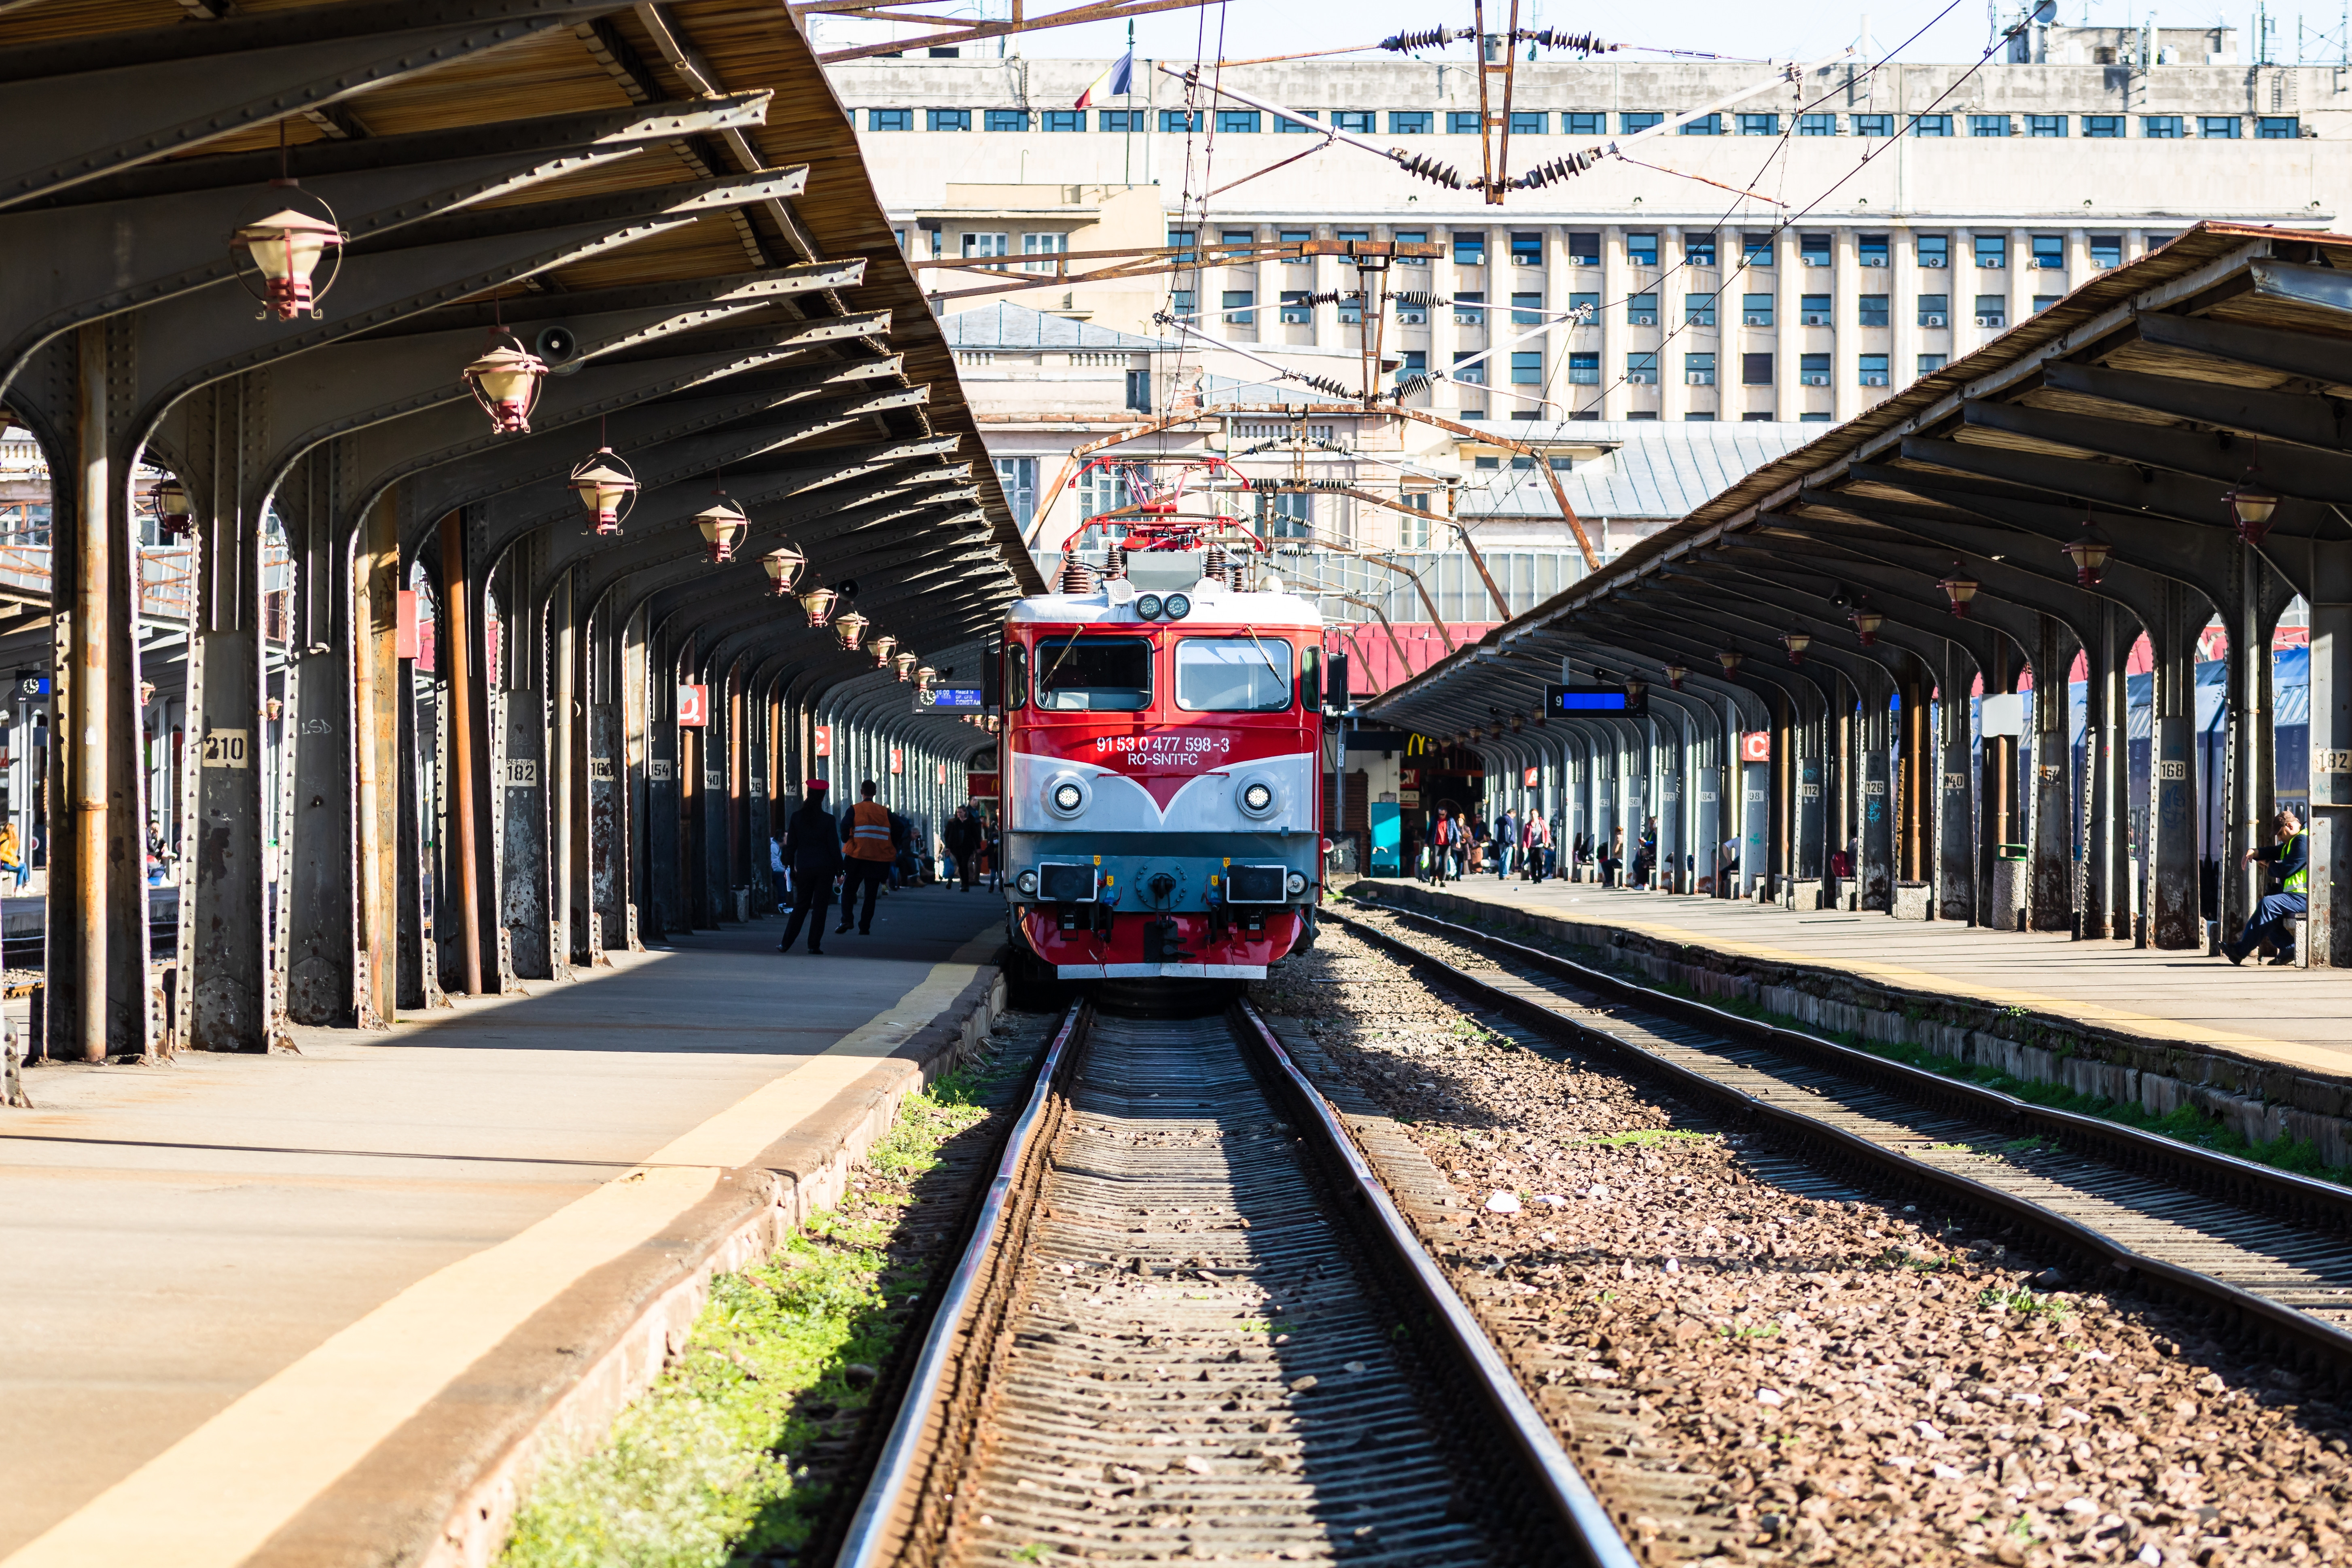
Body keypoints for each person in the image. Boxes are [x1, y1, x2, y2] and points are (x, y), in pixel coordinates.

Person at [2223, 807, 2308, 966]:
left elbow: (2285, 870)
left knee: (2268, 905)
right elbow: (2276, 851)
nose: (2280, 838)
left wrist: (2268, 864)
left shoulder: (2303, 841)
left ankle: (2240, 952)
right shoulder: (2296, 840)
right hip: (2298, 897)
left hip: (2306, 898)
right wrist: (2256, 853)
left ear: (2289, 827)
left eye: (2280, 834)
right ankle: (2289, 948)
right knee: (2268, 908)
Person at [777, 781, 842, 954]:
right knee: (820, 908)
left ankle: (786, 943)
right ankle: (814, 945)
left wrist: (789, 868)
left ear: (808, 794)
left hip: (805, 867)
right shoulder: (829, 820)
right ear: (823, 798)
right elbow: (834, 848)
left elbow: (791, 847)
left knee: (801, 906)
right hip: (825, 868)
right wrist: (840, 871)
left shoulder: (797, 818)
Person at [837, 780, 895, 934]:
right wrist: (891, 845)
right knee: (871, 895)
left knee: (849, 889)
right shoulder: (884, 812)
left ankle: (847, 920)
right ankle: (865, 927)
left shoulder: (854, 809)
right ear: (875, 793)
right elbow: (899, 827)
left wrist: (846, 838)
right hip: (878, 858)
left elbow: (844, 826)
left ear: (861, 792)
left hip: (857, 856)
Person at [944, 805, 980, 891]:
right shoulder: (954, 823)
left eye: (961, 812)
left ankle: (965, 884)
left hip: (967, 848)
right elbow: (948, 836)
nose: (959, 814)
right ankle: (963, 883)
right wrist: (948, 847)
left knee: (964, 864)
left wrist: (978, 847)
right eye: (958, 812)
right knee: (961, 865)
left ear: (965, 812)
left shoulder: (970, 823)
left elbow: (976, 836)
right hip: (956, 848)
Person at [1524, 810, 1551, 886]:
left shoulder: (1542, 823)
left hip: (1540, 846)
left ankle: (1540, 877)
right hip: (1532, 846)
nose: (1533, 816)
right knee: (1533, 863)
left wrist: (1547, 842)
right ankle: (1535, 878)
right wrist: (1525, 846)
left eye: (1534, 814)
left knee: (1540, 861)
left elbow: (1547, 832)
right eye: (1532, 814)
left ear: (1537, 814)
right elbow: (1525, 837)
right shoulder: (1528, 825)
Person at [769, 829, 789, 909]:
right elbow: (775, 867)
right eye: (787, 837)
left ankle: (783, 901)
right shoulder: (774, 847)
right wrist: (786, 871)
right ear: (781, 838)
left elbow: (778, 863)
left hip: (772, 871)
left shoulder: (778, 847)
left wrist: (787, 869)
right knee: (781, 876)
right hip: (770, 873)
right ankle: (782, 902)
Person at [1496, 807, 1517, 878]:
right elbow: (1511, 832)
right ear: (1512, 813)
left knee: (1502, 858)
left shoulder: (1499, 819)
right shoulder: (1509, 820)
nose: (1513, 818)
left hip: (1500, 841)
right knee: (1507, 858)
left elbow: (1496, 830)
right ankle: (1505, 874)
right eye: (1514, 816)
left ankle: (1501, 874)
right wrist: (1513, 842)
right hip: (1508, 842)